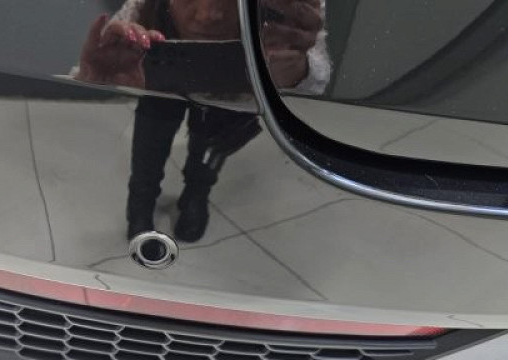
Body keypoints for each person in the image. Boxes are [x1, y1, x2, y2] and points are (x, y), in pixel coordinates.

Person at [76, 0, 328, 242]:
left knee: (209, 142)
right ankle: (141, 205)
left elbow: (318, 78)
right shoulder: (142, 7)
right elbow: (92, 69)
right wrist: (99, 78)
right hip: (162, 80)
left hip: (227, 87)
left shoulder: (284, 14)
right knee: (151, 139)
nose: (208, 14)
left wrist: (296, 70)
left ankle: (196, 193)